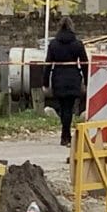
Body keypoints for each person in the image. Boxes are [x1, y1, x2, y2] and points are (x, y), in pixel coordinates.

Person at [43, 17, 89, 146]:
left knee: (63, 108)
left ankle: (65, 134)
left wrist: (45, 82)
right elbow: (85, 64)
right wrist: (86, 80)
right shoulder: (78, 44)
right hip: (73, 78)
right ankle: (66, 135)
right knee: (69, 107)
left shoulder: (53, 44)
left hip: (58, 78)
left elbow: (48, 64)